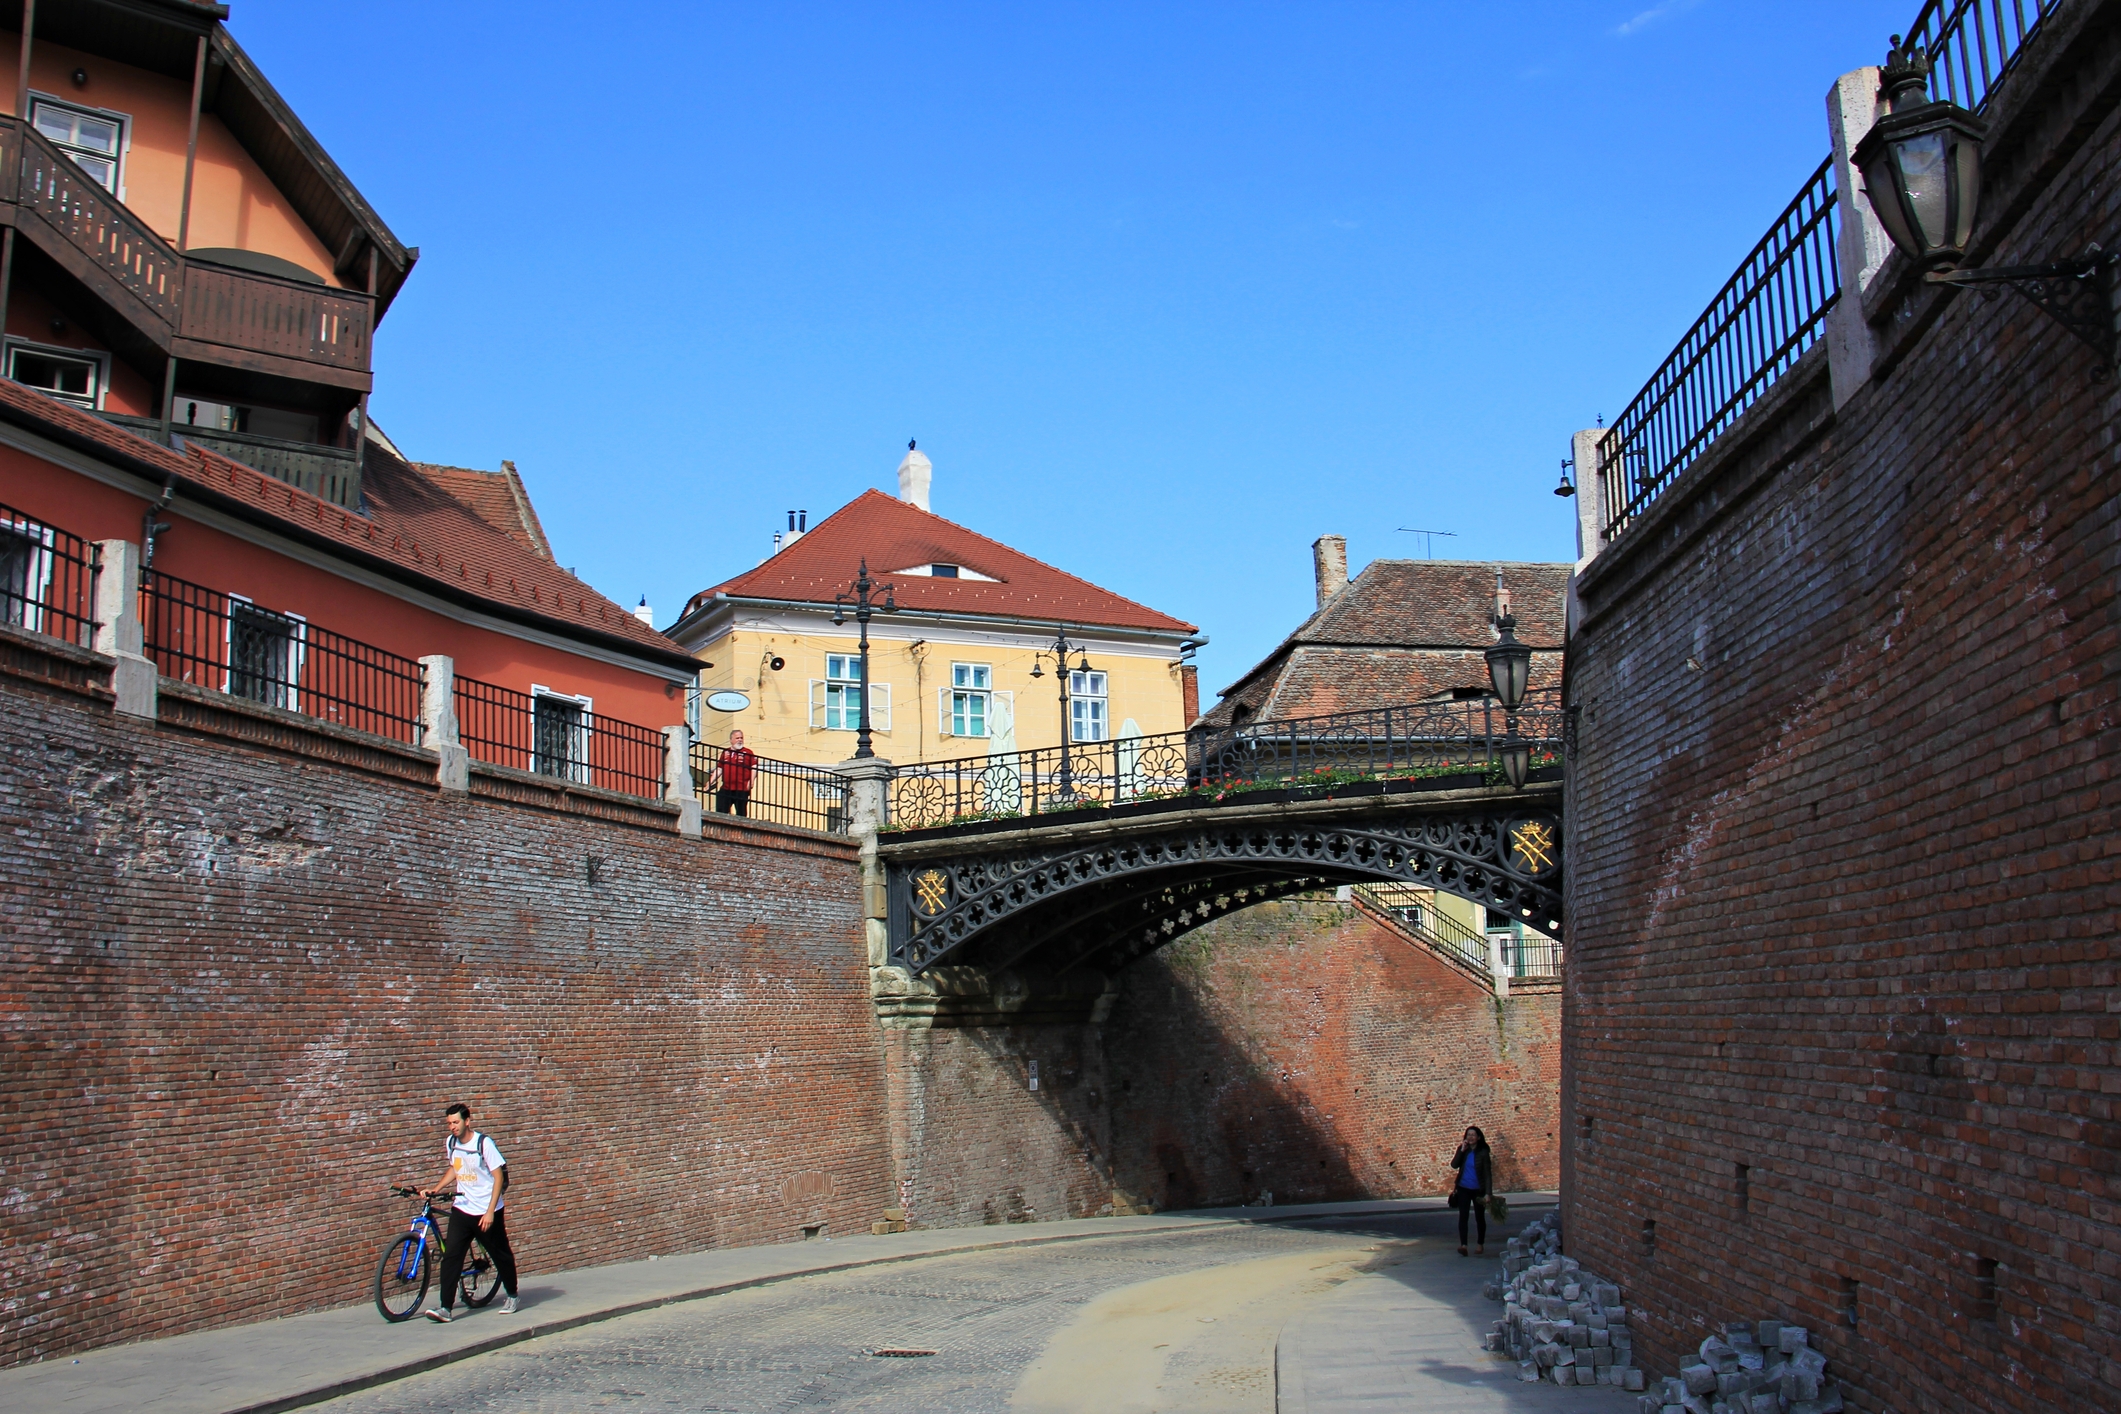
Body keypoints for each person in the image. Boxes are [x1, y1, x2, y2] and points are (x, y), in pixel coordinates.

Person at [409, 1103, 521, 1320]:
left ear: (467, 1121)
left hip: (487, 1210)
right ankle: (445, 1308)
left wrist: (490, 1212)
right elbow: (455, 1167)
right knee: (451, 1256)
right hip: (462, 1208)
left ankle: (513, 1294)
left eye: (456, 1122)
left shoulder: (483, 1143)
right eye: (449, 1123)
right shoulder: (451, 1142)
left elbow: (498, 1177)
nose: (452, 1127)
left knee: (500, 1253)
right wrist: (436, 1188)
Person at [1448, 1125, 1494, 1256]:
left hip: (1478, 1189)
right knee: (1463, 1217)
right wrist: (1461, 1151)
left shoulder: (1483, 1152)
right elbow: (1454, 1165)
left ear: (1478, 1137)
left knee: (1479, 1217)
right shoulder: (1463, 1150)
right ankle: (1464, 1245)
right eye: (1468, 1135)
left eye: (1473, 1135)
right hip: (1463, 1188)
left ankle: (1480, 1244)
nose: (1471, 1137)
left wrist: (1488, 1193)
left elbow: (1487, 1174)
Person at [716, 730, 757, 816]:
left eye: (741, 738)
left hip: (741, 788)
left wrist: (751, 781)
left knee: (741, 813)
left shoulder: (748, 752)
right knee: (721, 810)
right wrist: (710, 781)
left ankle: (741, 827)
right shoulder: (726, 752)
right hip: (727, 787)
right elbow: (720, 769)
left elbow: (754, 767)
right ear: (731, 740)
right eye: (737, 738)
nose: (740, 740)